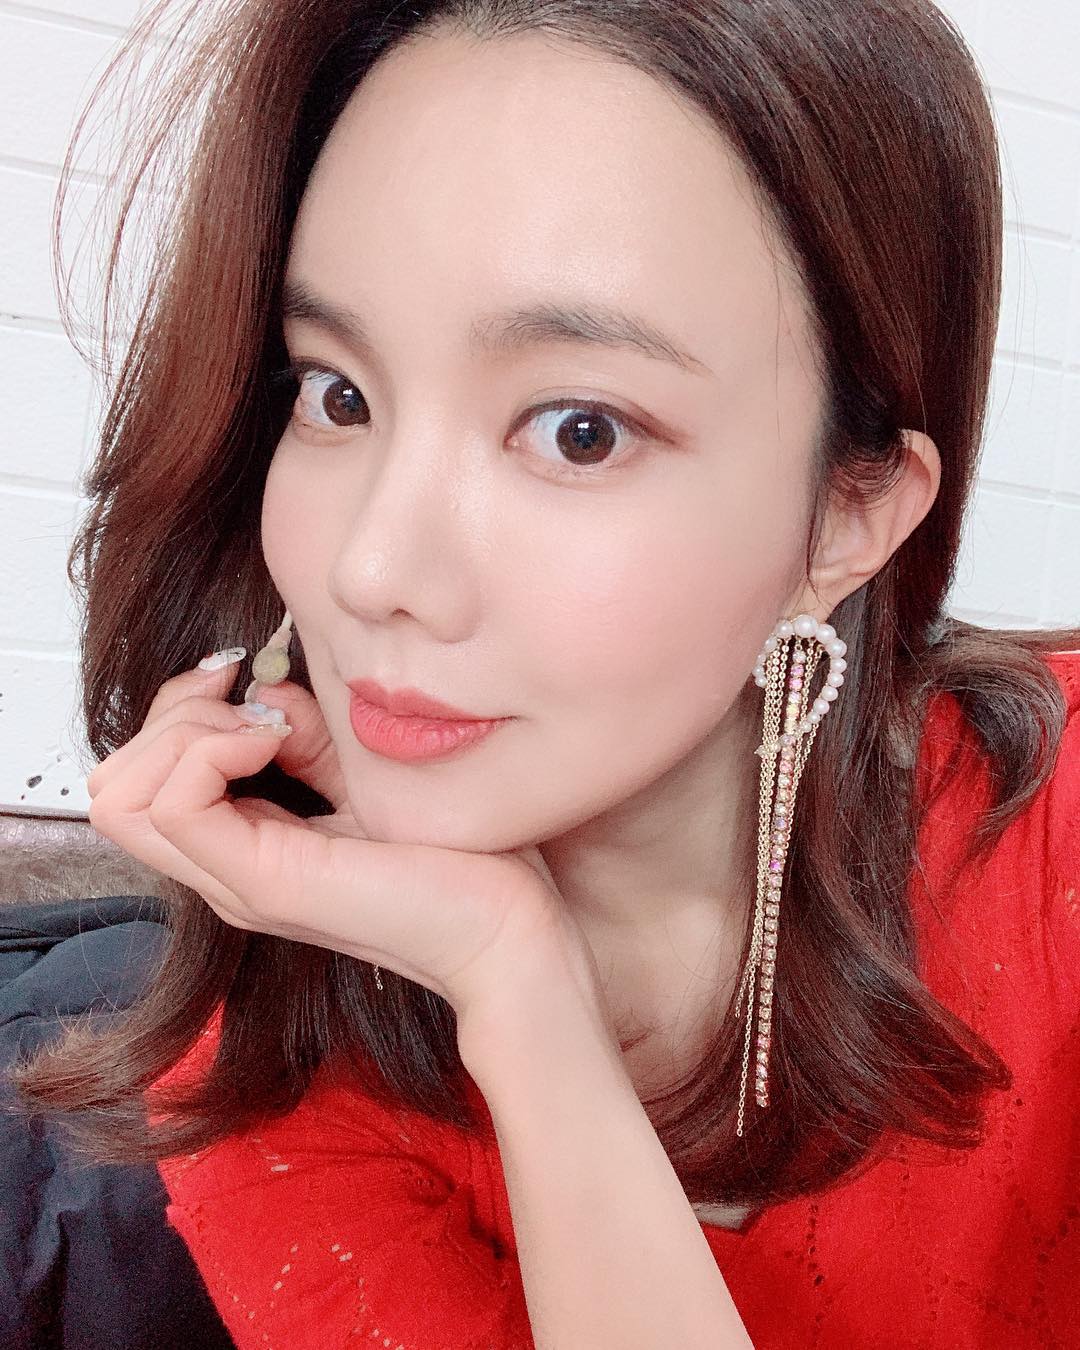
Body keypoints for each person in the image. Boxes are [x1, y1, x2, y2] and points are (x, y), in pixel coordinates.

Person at [5, 0, 1079, 1345]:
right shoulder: (268, 1084)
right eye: (337, 394)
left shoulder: (1053, 850)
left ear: (845, 516)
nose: (372, 568)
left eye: (579, 431)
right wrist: (517, 988)